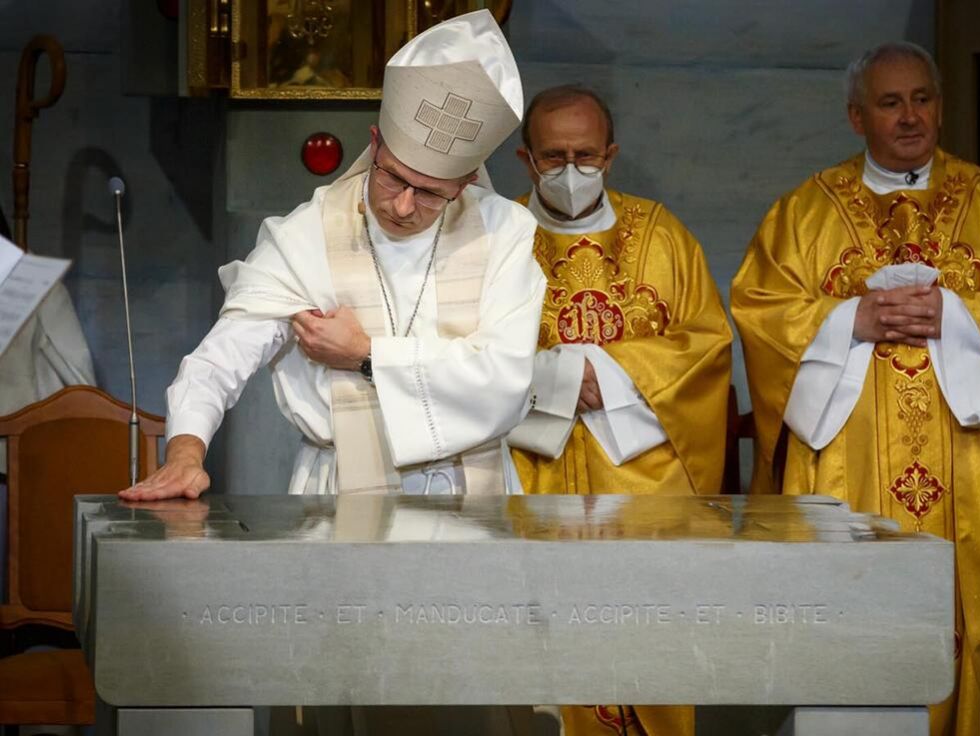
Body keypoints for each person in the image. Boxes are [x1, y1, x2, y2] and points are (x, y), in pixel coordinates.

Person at [729, 42, 980, 736]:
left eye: (922, 99)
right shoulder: (802, 213)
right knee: (847, 619)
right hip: (845, 459)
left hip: (966, 454)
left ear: (940, 108)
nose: (909, 116)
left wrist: (957, 315)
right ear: (856, 117)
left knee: (965, 611)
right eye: (890, 103)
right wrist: (849, 318)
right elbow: (761, 311)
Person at [119, 10, 545, 503]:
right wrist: (186, 454)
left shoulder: (504, 232)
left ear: (467, 182)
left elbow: (505, 378)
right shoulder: (307, 236)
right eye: (392, 178)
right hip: (343, 491)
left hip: (476, 495)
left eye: (430, 194)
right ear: (375, 143)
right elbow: (220, 360)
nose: (403, 206)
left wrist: (367, 354)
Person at [507, 84, 732, 736]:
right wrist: (552, 379)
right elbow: (459, 353)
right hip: (535, 480)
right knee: (550, 665)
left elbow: (707, 345)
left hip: (643, 487)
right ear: (526, 160)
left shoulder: (663, 237)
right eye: (553, 157)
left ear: (611, 155)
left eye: (585, 154)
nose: (571, 171)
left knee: (647, 655)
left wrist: (607, 372)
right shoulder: (498, 242)